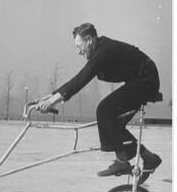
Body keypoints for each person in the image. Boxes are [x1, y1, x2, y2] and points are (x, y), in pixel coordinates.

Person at [36, 23, 162, 177]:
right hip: (140, 78)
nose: (79, 52)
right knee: (113, 123)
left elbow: (82, 77)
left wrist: (54, 100)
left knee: (104, 110)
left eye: (78, 46)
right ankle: (148, 157)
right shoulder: (100, 49)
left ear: (89, 40)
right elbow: (80, 77)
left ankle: (122, 161)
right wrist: (52, 95)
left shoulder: (103, 51)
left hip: (146, 79)